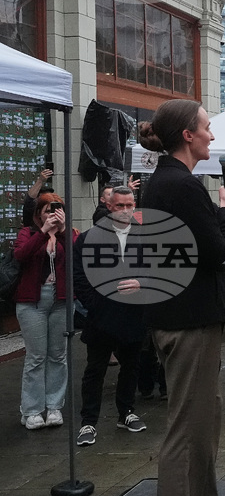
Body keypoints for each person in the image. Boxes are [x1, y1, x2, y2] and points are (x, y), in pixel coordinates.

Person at [138, 99, 225, 496]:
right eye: (206, 127)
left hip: (188, 316)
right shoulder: (180, 185)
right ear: (187, 135)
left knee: (206, 416)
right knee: (186, 426)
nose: (211, 136)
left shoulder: (168, 182)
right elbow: (216, 251)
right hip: (188, 321)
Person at [73, 186, 148, 446]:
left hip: (134, 312)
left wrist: (142, 284)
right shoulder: (89, 238)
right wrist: (94, 304)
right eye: (120, 206)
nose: (125, 211)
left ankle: (126, 411)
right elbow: (79, 275)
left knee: (131, 365)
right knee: (95, 369)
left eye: (129, 205)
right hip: (101, 315)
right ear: (109, 206)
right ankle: (88, 422)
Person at [13, 192, 76, 430]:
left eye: (57, 210)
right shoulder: (27, 233)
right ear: (39, 214)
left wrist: (62, 230)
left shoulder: (67, 234)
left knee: (58, 355)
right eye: (48, 210)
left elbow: (76, 256)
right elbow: (21, 255)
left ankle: (54, 406)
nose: (52, 215)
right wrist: (43, 233)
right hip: (32, 301)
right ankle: (31, 410)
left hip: (61, 300)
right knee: (36, 356)